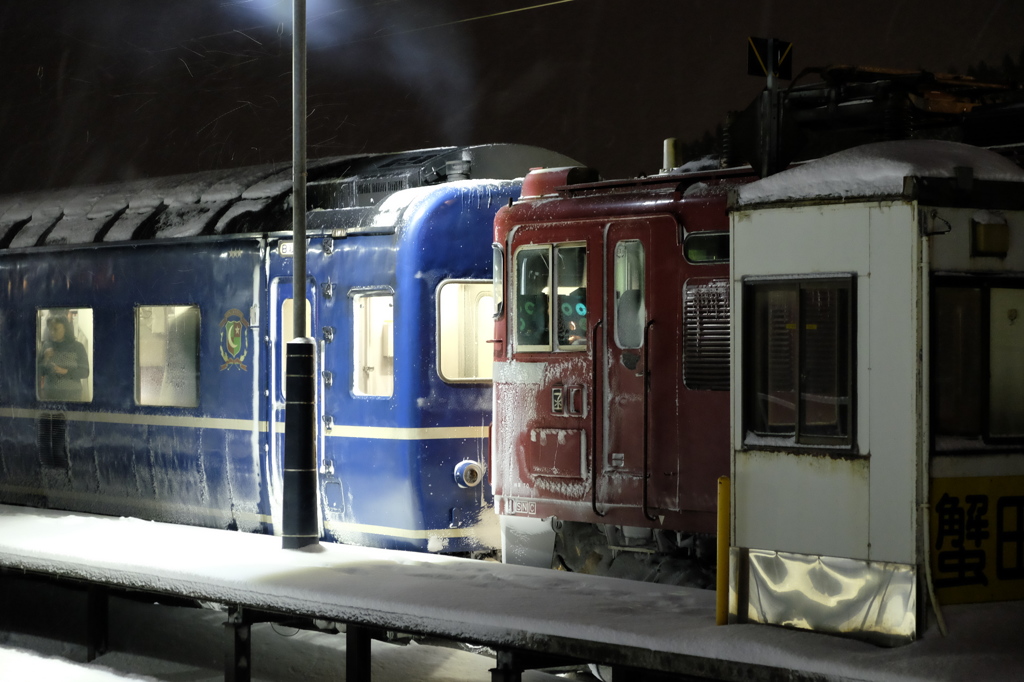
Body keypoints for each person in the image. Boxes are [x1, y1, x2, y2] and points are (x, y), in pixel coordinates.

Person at [38, 315, 90, 402]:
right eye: (50, 329)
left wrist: (65, 371)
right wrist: (45, 358)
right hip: (50, 394)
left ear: (65, 329)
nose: (52, 332)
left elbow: (85, 372)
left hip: (72, 395)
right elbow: (39, 371)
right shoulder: (46, 345)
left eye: (55, 329)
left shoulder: (77, 347)